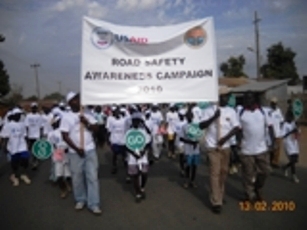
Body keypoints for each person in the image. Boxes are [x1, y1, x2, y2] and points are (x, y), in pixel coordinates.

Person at [199, 88, 240, 214]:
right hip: (212, 147)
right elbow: (201, 126)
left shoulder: (231, 111)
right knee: (215, 173)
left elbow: (236, 127)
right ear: (218, 97)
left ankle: (219, 195)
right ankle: (216, 201)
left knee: (223, 173)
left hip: (225, 147)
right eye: (223, 96)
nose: (226, 98)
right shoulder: (208, 110)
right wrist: (214, 117)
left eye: (227, 96)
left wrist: (225, 139)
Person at [60, 92, 101, 215]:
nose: (77, 101)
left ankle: (94, 204)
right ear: (69, 103)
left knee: (92, 177)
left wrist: (86, 122)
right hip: (74, 152)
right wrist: (77, 148)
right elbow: (64, 136)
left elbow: (97, 129)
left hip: (90, 149)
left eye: (78, 98)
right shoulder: (66, 117)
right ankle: (80, 199)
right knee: (77, 177)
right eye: (74, 100)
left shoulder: (87, 113)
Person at [237, 91, 275, 202]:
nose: (248, 101)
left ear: (254, 99)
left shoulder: (263, 112)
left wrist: (272, 142)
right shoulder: (241, 113)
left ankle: (257, 188)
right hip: (246, 150)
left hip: (261, 149)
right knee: (248, 175)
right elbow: (238, 130)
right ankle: (250, 195)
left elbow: (271, 127)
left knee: (265, 171)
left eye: (250, 98)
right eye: (246, 99)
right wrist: (238, 143)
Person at [125, 112, 151, 203]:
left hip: (143, 156)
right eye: (134, 121)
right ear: (132, 121)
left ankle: (142, 187)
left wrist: (143, 152)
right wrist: (134, 153)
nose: (136, 122)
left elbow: (148, 143)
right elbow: (127, 146)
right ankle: (137, 193)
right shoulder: (128, 132)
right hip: (132, 157)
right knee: (135, 175)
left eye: (137, 121)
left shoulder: (143, 131)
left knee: (144, 173)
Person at [1, 108, 31, 186]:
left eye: (19, 115)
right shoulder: (8, 125)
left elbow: (25, 135)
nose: (19, 116)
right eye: (17, 115)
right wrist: (4, 146)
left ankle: (23, 174)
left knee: (25, 160)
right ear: (13, 115)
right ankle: (14, 176)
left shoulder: (22, 124)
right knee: (15, 163)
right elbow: (5, 136)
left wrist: (28, 143)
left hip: (22, 146)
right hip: (13, 147)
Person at [48, 116, 72, 198]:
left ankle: (67, 184)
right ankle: (63, 190)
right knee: (59, 175)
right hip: (57, 154)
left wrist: (68, 149)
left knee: (68, 173)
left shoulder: (67, 132)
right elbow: (50, 145)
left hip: (67, 153)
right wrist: (54, 152)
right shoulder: (51, 133)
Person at [179, 111, 201, 189]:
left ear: (192, 116)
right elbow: (181, 138)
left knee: (194, 166)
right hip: (188, 149)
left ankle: (193, 181)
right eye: (187, 116)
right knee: (187, 165)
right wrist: (190, 142)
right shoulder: (184, 126)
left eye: (190, 116)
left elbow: (199, 136)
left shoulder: (196, 126)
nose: (189, 117)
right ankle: (187, 181)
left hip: (196, 149)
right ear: (186, 117)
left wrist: (196, 142)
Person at [106, 106, 127, 175]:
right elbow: (108, 130)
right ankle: (114, 166)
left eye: (118, 111)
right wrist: (108, 140)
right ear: (113, 112)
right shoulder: (110, 119)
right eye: (115, 111)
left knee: (124, 154)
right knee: (115, 154)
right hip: (114, 140)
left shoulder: (123, 119)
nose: (117, 113)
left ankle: (126, 165)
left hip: (123, 140)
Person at [281, 111, 300, 183]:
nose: (290, 118)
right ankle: (294, 176)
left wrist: (297, 127)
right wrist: (291, 131)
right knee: (292, 159)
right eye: (289, 117)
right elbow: (283, 135)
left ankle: (285, 167)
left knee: (295, 160)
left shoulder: (293, 124)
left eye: (291, 117)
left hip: (294, 143)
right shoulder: (285, 125)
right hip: (288, 143)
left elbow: (298, 132)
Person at [25, 102, 43, 170]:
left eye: (35, 107)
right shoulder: (28, 116)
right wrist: (26, 135)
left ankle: (35, 162)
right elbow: (26, 126)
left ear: (37, 108)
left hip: (37, 135)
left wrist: (41, 135)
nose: (34, 109)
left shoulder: (39, 116)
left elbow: (41, 126)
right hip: (30, 135)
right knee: (30, 149)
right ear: (31, 108)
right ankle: (31, 160)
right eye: (33, 108)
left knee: (36, 149)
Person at [268, 97, 284, 168]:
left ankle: (275, 162)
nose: (274, 105)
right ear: (271, 104)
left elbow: (281, 121)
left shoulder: (278, 111)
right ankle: (270, 161)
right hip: (271, 134)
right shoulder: (269, 111)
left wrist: (281, 130)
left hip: (278, 133)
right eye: (272, 103)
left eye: (275, 103)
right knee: (271, 148)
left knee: (277, 148)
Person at [175, 109, 187, 176]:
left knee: (186, 157)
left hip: (187, 142)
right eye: (180, 115)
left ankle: (185, 168)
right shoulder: (177, 123)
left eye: (183, 115)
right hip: (180, 143)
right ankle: (182, 169)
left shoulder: (187, 122)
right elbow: (176, 133)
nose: (181, 116)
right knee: (181, 157)